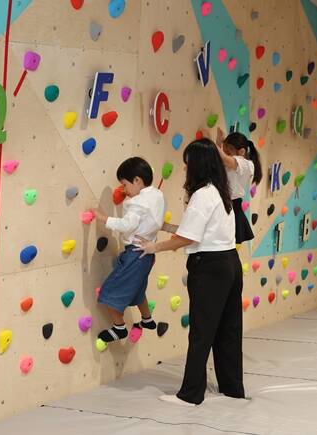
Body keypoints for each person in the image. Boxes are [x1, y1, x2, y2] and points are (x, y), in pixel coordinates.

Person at [135, 139, 244, 405]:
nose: (185, 169)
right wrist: (166, 226)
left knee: (201, 331)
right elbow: (196, 232)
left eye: (187, 164)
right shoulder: (221, 191)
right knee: (228, 330)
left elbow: (188, 239)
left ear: (197, 165)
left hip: (209, 268)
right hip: (229, 263)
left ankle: (191, 394)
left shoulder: (202, 195)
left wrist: (153, 247)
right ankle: (232, 388)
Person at [91, 157, 165, 345]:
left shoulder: (137, 202)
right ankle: (147, 319)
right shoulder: (157, 195)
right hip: (147, 254)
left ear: (137, 181)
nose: (124, 190)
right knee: (138, 289)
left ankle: (119, 328)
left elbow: (126, 225)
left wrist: (103, 218)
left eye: (125, 184)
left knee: (108, 292)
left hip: (135, 254)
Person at [215, 129, 263, 243]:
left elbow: (222, 158)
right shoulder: (232, 162)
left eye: (229, 151)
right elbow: (218, 158)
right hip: (223, 206)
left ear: (241, 152)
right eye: (225, 151)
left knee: (225, 247)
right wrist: (218, 144)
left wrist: (215, 143)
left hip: (232, 208)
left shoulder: (245, 164)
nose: (226, 153)